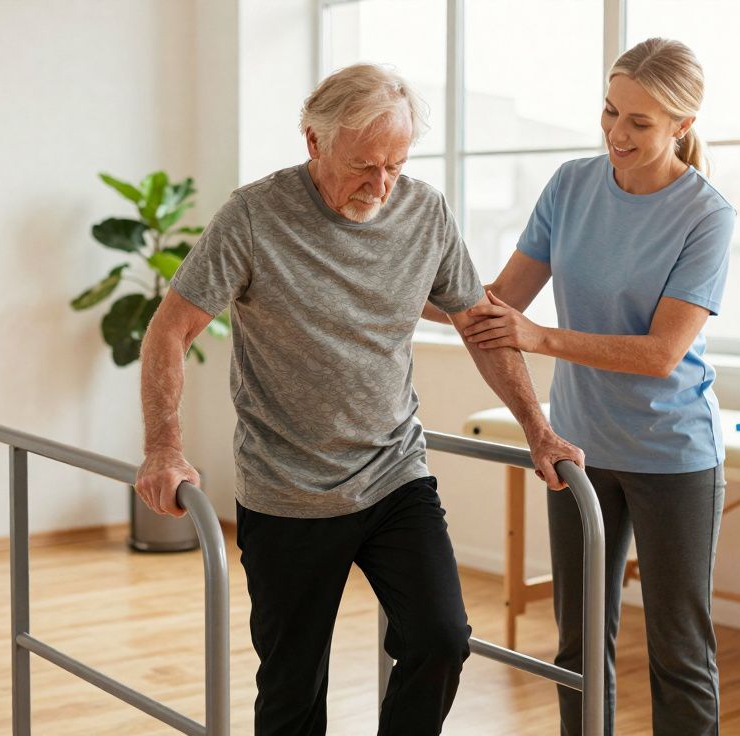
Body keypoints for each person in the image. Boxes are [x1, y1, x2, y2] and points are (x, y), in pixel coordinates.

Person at [134, 62, 583, 736]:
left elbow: (479, 326)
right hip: (286, 490)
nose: (381, 185)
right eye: (364, 165)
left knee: (441, 637)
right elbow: (171, 329)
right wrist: (164, 447)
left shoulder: (424, 211)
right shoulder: (254, 216)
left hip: (394, 475)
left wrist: (537, 429)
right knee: (292, 692)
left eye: (396, 166)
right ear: (313, 142)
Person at [433, 37, 734, 736]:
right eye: (609, 112)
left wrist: (537, 337)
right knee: (577, 645)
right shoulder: (571, 186)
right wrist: (389, 285)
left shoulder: (706, 215)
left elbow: (662, 353)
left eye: (640, 122)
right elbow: (501, 299)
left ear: (681, 128)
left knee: (680, 655)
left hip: (672, 456)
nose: (616, 134)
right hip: (578, 450)